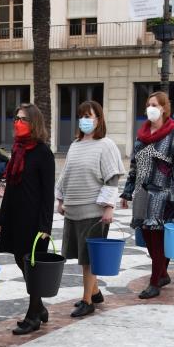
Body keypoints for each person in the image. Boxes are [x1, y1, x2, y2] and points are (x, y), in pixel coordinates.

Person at [56, 101, 126, 317]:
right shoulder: (75, 145)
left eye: (89, 115)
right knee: (80, 256)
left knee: (88, 259)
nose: (85, 120)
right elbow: (66, 175)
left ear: (99, 119)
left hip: (93, 212)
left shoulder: (106, 145)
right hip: (73, 210)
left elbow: (111, 179)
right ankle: (94, 292)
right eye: (82, 116)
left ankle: (88, 301)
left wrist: (109, 208)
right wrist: (60, 199)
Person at [121, 92, 174, 299]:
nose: (150, 108)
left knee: (158, 239)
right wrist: (127, 191)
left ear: (164, 109)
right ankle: (163, 274)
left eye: (155, 105)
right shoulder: (141, 135)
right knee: (148, 239)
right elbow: (134, 166)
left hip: (162, 194)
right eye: (148, 104)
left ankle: (154, 282)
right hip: (143, 193)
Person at [0, 103, 55, 335]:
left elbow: (47, 193)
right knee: (22, 261)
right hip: (15, 217)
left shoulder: (43, 152)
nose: (17, 123)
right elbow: (10, 186)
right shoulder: (18, 149)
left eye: (23, 119)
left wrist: (45, 226)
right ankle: (39, 307)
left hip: (33, 220)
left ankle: (33, 315)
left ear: (34, 123)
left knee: (31, 265)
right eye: (16, 118)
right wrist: (1, 217)